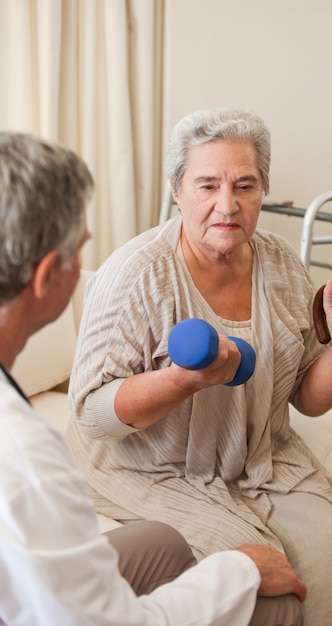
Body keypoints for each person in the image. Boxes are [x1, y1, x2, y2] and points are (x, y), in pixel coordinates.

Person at [67, 107, 332, 625]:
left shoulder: (281, 264)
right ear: (176, 189)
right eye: (207, 185)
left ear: (264, 191)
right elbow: (93, 415)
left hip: (264, 461)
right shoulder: (135, 275)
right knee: (270, 589)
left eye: (245, 186)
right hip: (156, 471)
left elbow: (307, 397)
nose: (226, 205)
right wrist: (181, 380)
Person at [0, 131, 307, 626]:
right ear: (47, 277)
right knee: (278, 603)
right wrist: (239, 571)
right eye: (80, 250)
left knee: (161, 542)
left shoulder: (279, 261)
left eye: (244, 185)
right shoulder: (28, 461)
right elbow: (110, 622)